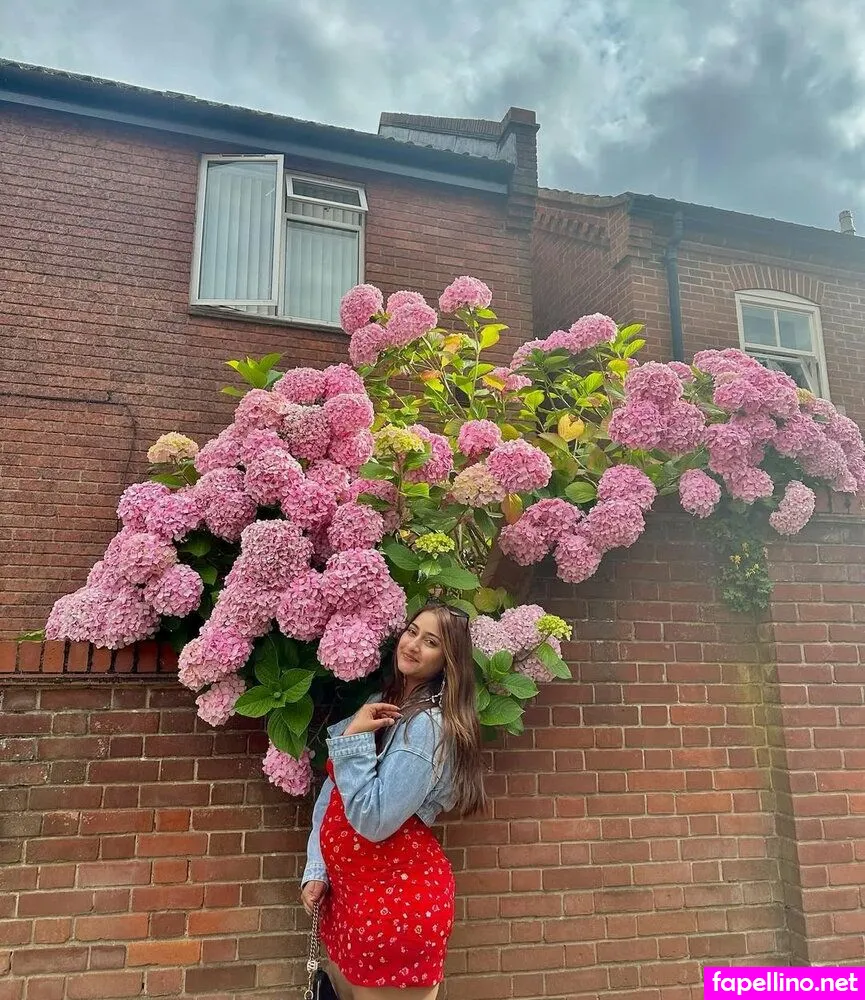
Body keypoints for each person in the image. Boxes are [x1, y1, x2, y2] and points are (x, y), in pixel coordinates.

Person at [300, 602, 487, 1000]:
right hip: (352, 898)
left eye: (431, 642)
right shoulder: (381, 702)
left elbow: (375, 819)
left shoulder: (426, 726)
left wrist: (353, 738)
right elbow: (334, 791)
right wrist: (318, 867)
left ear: (448, 661)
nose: (414, 644)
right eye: (412, 631)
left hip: (395, 906)